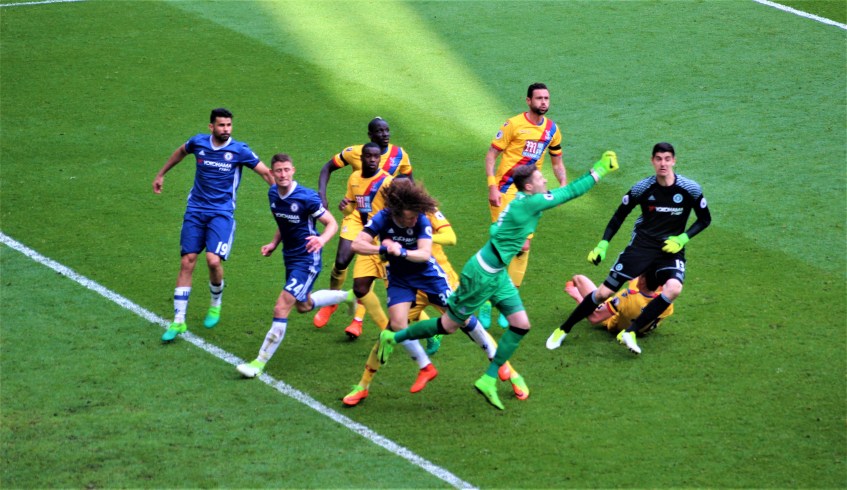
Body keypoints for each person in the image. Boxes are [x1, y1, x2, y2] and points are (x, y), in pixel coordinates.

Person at [378, 152, 619, 410]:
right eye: (540, 178)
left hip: (497, 273)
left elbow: (495, 229)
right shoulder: (531, 203)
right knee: (448, 326)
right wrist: (600, 170)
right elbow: (569, 192)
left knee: (521, 325)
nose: (545, 180)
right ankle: (394, 336)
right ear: (529, 187)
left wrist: (508, 238)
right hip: (481, 275)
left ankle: (488, 379)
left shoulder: (521, 200)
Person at [343, 199, 527, 406]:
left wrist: (402, 249)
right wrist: (383, 249)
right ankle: (367, 385)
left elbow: (434, 248)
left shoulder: (423, 216)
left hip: (432, 279)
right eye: (410, 217)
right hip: (401, 280)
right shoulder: (384, 217)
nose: (414, 220)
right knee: (391, 330)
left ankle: (510, 372)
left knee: (465, 321)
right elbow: (357, 244)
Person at [547, 142, 711, 355]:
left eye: (667, 159)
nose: (663, 163)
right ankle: (563, 330)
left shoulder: (690, 189)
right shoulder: (642, 188)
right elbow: (619, 216)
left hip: (670, 250)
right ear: (652, 161)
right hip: (641, 248)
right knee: (604, 293)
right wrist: (603, 244)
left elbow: (705, 219)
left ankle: (630, 332)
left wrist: (683, 238)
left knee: (674, 288)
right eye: (658, 159)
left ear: (674, 161)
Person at [153, 108, 273, 342]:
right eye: (221, 125)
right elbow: (181, 151)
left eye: (229, 125)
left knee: (213, 260)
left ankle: (215, 303)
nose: (226, 129)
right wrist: (161, 174)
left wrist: (281, 195)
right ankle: (178, 320)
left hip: (221, 213)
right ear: (211, 127)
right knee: (187, 261)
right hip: (195, 210)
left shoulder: (239, 150)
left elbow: (266, 173)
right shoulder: (198, 143)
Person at [236, 154, 355, 378]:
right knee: (303, 305)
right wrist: (274, 243)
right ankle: (346, 296)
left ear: (293, 170)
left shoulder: (306, 197)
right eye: (278, 171)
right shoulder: (273, 193)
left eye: (286, 170)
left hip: (307, 259)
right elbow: (284, 223)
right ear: (272, 173)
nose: (283, 174)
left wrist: (321, 240)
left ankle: (258, 363)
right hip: (289, 257)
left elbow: (332, 223)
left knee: (281, 307)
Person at [479, 82, 568, 329]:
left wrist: (562, 185)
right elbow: (491, 156)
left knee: (523, 247)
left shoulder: (552, 130)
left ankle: (506, 303)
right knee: (506, 246)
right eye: (539, 98)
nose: (543, 102)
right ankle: (487, 299)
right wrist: (492, 186)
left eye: (546, 98)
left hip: (530, 194)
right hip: (505, 190)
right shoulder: (513, 125)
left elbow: (558, 162)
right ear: (528, 101)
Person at [313, 118, 413, 333]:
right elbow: (328, 167)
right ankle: (332, 302)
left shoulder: (399, 155)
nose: (385, 134)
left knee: (368, 268)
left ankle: (357, 320)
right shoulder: (356, 153)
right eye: (380, 131)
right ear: (370, 135)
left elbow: (409, 182)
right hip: (357, 215)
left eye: (387, 130)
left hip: (381, 220)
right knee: (341, 261)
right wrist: (323, 195)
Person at [337, 142, 394, 338]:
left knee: (398, 293)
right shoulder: (354, 178)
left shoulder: (387, 183)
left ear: (380, 159)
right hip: (368, 239)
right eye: (368, 156)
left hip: (386, 241)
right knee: (360, 287)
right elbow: (355, 209)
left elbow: (396, 213)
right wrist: (345, 207)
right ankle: (385, 330)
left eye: (375, 157)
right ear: (361, 158)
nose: (372, 160)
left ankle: (430, 332)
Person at [562, 270, 674, 335]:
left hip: (612, 321)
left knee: (578, 279)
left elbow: (594, 318)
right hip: (638, 329)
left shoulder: (627, 297)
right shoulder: (667, 303)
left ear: (643, 280)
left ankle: (576, 294)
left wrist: (578, 297)